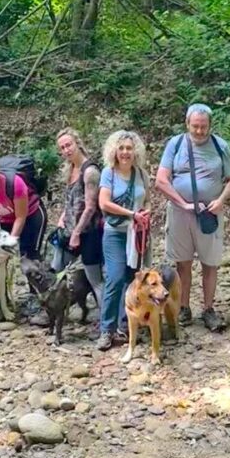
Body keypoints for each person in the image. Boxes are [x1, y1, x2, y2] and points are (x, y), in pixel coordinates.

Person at [156, 103, 230, 332]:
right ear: (187, 124)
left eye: (204, 127)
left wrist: (221, 200)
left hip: (209, 213)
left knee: (210, 262)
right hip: (180, 213)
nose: (200, 131)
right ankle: (184, 307)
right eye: (195, 127)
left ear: (210, 125)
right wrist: (182, 203)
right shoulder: (176, 144)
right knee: (183, 262)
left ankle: (209, 308)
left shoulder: (220, 146)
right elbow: (161, 179)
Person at [97, 130, 151, 352]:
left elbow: (147, 200)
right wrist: (131, 214)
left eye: (129, 148)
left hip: (136, 233)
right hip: (115, 232)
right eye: (121, 148)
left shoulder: (141, 174)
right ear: (114, 151)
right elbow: (104, 203)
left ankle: (125, 323)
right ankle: (106, 329)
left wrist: (145, 214)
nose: (125, 152)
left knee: (132, 279)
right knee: (115, 277)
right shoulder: (108, 174)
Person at [54, 128, 103, 303]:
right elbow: (71, 200)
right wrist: (62, 217)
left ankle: (107, 323)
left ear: (77, 143)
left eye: (69, 145)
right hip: (68, 230)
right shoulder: (70, 169)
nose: (67, 150)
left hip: (89, 232)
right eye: (62, 147)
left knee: (95, 278)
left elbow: (90, 207)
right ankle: (55, 310)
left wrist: (76, 233)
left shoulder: (90, 171)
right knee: (56, 269)